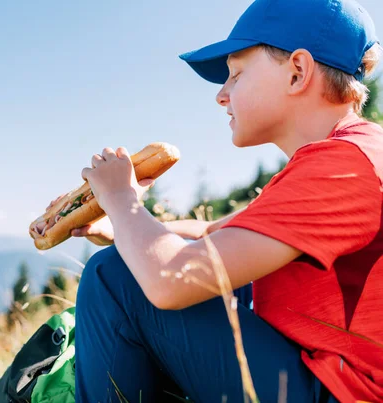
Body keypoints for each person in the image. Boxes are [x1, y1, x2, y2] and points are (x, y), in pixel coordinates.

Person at [46, 0, 383, 402]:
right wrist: (120, 226)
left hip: (340, 392)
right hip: (319, 378)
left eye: (236, 76)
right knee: (138, 267)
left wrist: (121, 200)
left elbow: (170, 280)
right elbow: (212, 233)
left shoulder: (344, 166)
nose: (221, 96)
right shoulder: (346, 156)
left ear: (298, 71)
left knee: (116, 277)